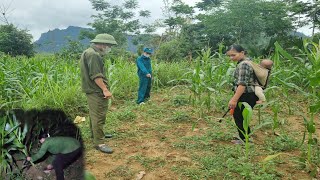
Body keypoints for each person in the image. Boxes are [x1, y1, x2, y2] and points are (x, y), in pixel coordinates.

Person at [80, 33, 117, 153]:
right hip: (96, 90)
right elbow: (96, 76)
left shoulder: (88, 52)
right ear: (102, 44)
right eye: (108, 45)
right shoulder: (94, 55)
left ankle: (96, 135)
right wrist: (105, 89)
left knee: (94, 115)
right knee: (99, 116)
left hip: (91, 90)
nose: (109, 48)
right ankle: (99, 142)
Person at [226, 44, 258, 144]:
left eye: (233, 55)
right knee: (241, 115)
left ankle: (245, 140)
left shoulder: (244, 64)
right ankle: (243, 136)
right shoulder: (248, 61)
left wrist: (234, 99)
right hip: (249, 94)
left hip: (247, 94)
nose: (231, 58)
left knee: (239, 116)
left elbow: (242, 84)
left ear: (242, 53)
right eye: (229, 56)